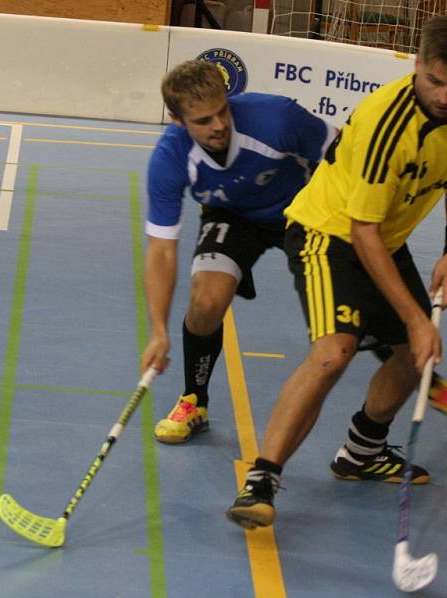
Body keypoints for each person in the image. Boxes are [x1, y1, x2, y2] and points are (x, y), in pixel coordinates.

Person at [227, 15, 447, 529]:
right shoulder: (383, 123)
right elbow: (361, 230)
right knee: (334, 352)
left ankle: (362, 452)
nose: (445, 96)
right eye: (435, 81)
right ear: (417, 66)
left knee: (415, 361)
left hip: (383, 239)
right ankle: (262, 479)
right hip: (329, 234)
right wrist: (415, 320)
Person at [141, 59, 335, 443]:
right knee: (206, 300)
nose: (218, 126)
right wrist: (159, 331)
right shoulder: (170, 159)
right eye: (202, 121)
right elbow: (161, 250)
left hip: (306, 210)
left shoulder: (277, 118)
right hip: (234, 215)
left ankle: (424, 376)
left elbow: (345, 152)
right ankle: (194, 401)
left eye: (222, 111)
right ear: (176, 119)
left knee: (346, 316)